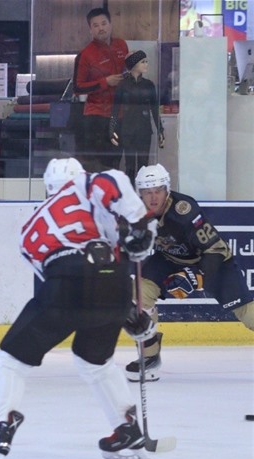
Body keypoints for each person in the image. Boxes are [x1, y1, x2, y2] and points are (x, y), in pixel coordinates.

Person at [0, 158, 157, 459]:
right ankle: (128, 430)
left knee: (12, 359)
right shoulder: (88, 185)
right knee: (95, 361)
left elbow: (59, 282)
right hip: (116, 283)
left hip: (65, 283)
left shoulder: (29, 228)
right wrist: (139, 224)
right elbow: (114, 181)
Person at [125, 164, 254, 381]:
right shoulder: (134, 212)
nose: (153, 197)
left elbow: (214, 249)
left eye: (158, 191)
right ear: (140, 193)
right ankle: (149, 356)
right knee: (139, 296)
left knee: (248, 313)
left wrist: (196, 277)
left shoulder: (183, 210)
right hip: (169, 259)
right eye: (147, 192)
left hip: (212, 260)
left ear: (167, 190)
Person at [74, 7, 128, 172]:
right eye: (95, 25)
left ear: (110, 24)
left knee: (115, 162)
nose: (101, 28)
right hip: (96, 117)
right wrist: (105, 82)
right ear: (90, 29)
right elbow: (77, 87)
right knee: (96, 165)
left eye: (104, 23)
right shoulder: (85, 55)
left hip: (119, 114)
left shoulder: (121, 45)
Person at [109, 51, 164, 181]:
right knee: (129, 165)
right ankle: (130, 190)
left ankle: (142, 190)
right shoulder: (123, 85)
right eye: (142, 62)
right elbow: (115, 109)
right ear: (134, 64)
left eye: (146, 61)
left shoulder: (149, 85)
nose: (146, 64)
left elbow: (154, 109)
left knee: (143, 165)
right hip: (127, 130)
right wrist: (111, 130)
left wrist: (160, 129)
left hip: (144, 130)